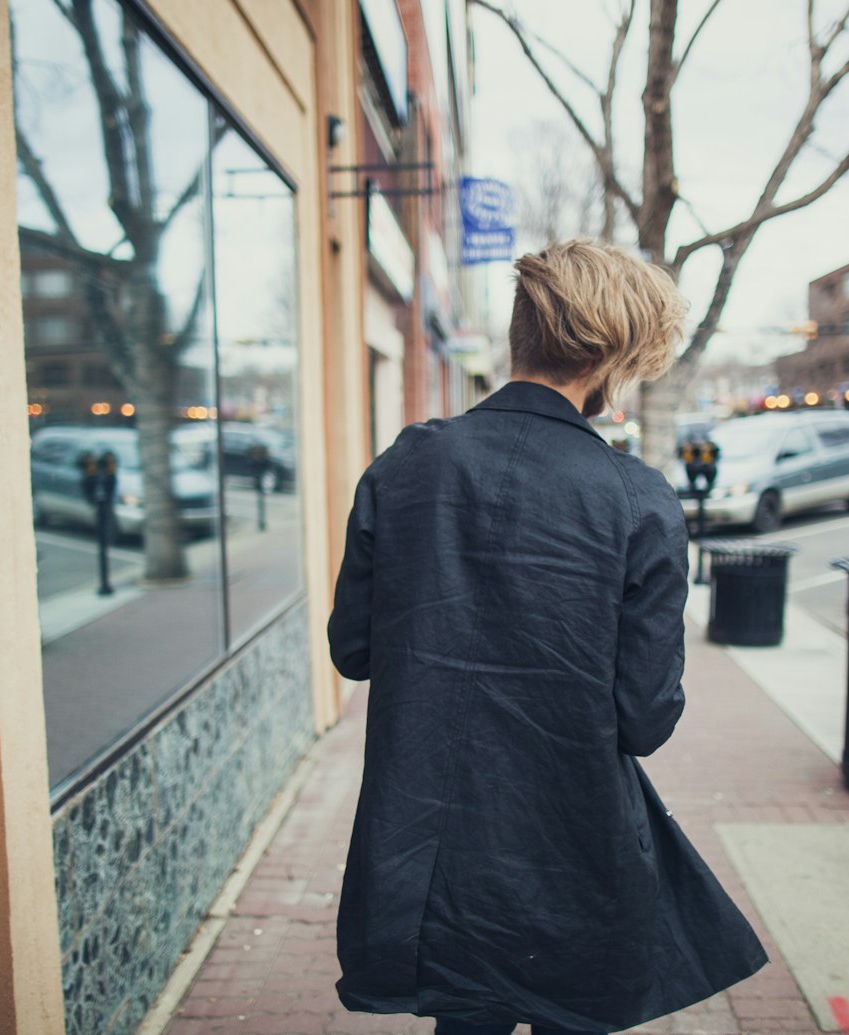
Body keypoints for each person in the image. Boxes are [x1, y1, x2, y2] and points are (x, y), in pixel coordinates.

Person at [327, 239, 768, 1035]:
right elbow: (646, 718)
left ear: (517, 336)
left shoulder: (406, 466)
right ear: (612, 358)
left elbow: (353, 651)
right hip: (573, 850)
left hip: (432, 847)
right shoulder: (636, 499)